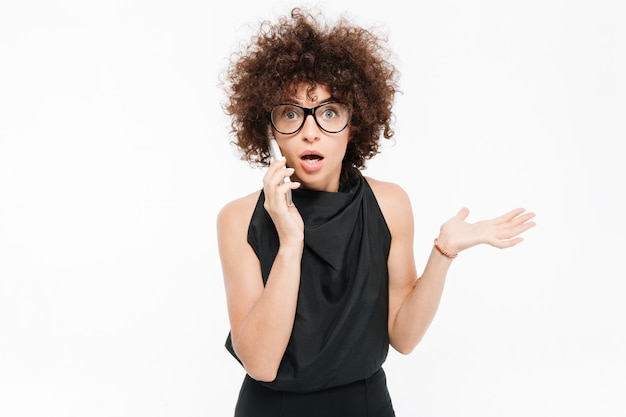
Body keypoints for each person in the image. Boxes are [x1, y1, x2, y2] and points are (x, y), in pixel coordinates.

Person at [216, 7, 536, 417]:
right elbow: (260, 363)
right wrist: (290, 242)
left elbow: (403, 337)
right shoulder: (238, 219)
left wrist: (443, 254)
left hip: (364, 405)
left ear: (355, 123)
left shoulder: (389, 204)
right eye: (292, 113)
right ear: (271, 127)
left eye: (329, 112)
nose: (311, 130)